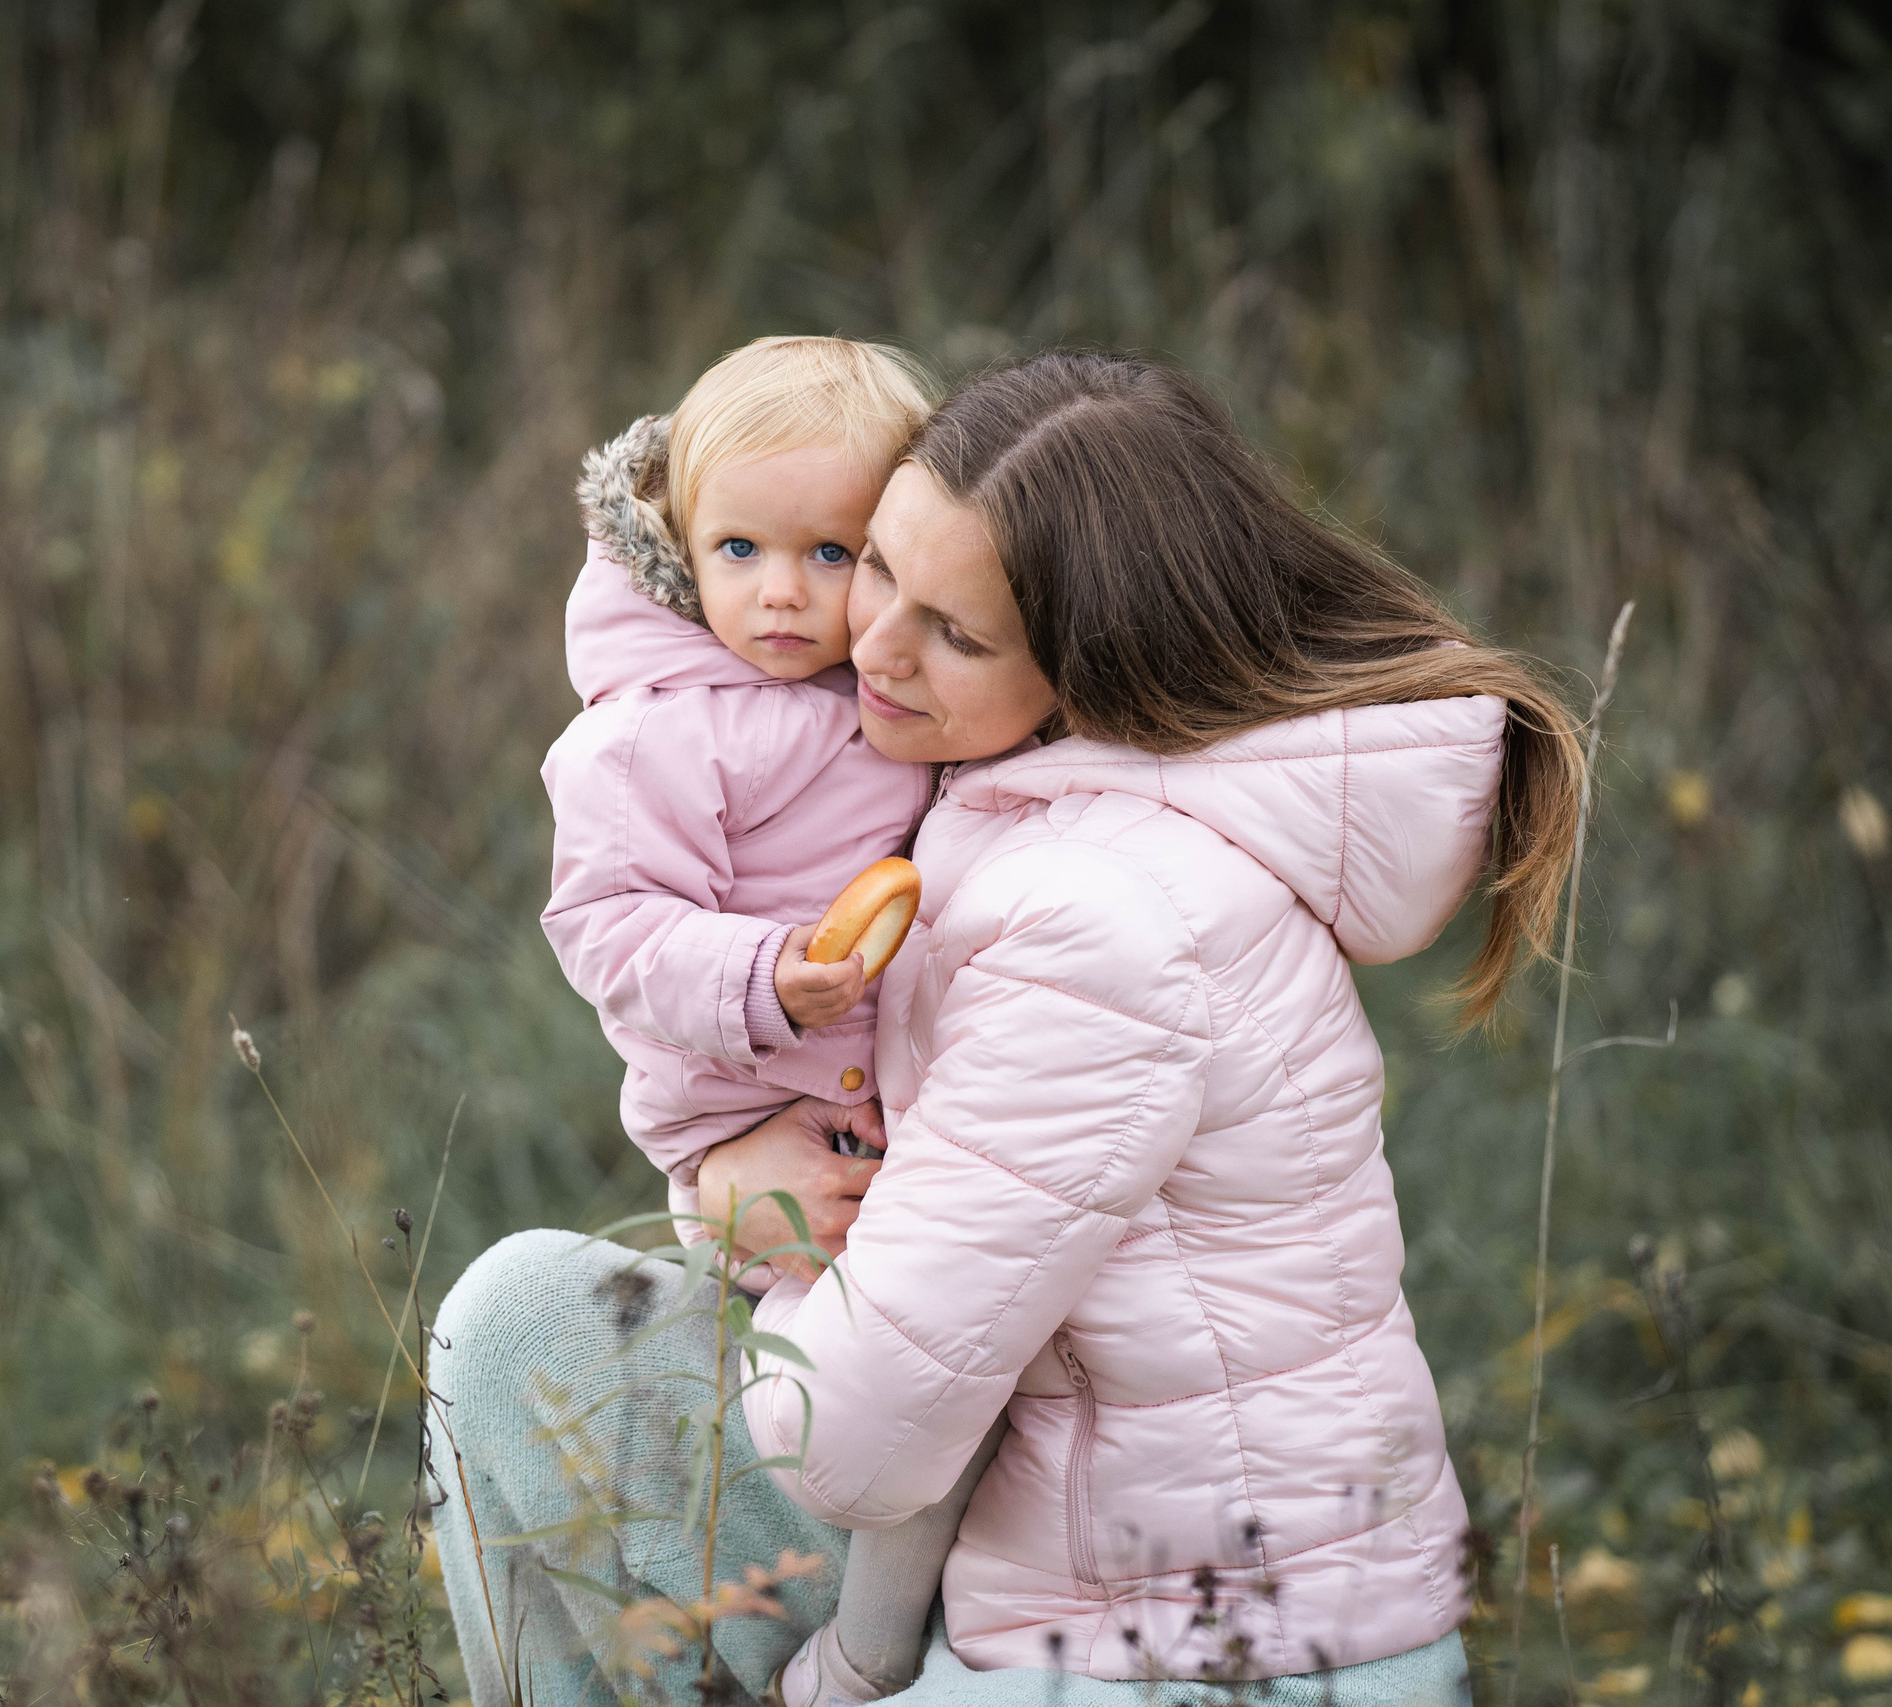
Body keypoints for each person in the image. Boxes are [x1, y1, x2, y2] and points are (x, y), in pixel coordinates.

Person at [433, 349, 1578, 1706]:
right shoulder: (1015, 795)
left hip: (1218, 1657)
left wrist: (747, 1219)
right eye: (880, 573)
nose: (872, 644)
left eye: (956, 634)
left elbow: (861, 1439)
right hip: (1045, 1549)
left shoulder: (1102, 921)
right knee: (518, 1324)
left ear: (1088, 668)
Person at [539, 334, 1000, 1695]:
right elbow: (604, 924)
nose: (784, 595)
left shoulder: (887, 679)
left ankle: (885, 1625)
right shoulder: (654, 730)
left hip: (876, 1109)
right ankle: (857, 1653)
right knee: (880, 1379)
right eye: (738, 550)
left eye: (831, 554)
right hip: (756, 1107)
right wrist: (760, 976)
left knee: (940, 1364)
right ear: (679, 541)